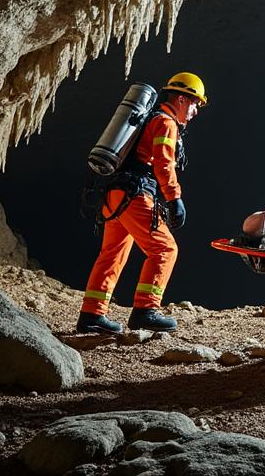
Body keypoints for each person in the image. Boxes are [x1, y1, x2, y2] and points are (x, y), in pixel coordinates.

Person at [76, 72, 207, 334]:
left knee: (112, 253)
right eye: (195, 104)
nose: (195, 112)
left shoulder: (149, 119)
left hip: (114, 195)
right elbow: (164, 163)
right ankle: (146, 310)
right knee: (165, 249)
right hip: (134, 195)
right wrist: (174, 198)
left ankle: (91, 314)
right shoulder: (165, 123)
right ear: (181, 99)